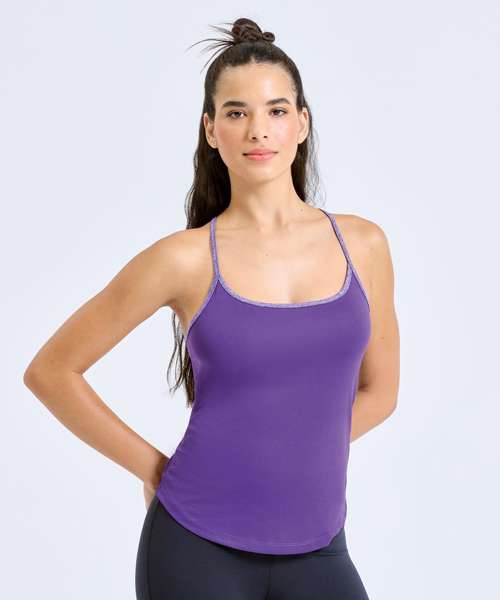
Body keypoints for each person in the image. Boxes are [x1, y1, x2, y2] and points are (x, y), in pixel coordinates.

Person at [23, 17, 400, 600]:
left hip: (320, 544)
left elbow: (382, 392)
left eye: (276, 110)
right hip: (195, 546)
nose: (258, 130)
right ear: (211, 129)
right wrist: (154, 470)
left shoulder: (364, 244)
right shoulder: (185, 259)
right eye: (236, 112)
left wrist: (297, 449)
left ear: (302, 124)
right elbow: (51, 371)